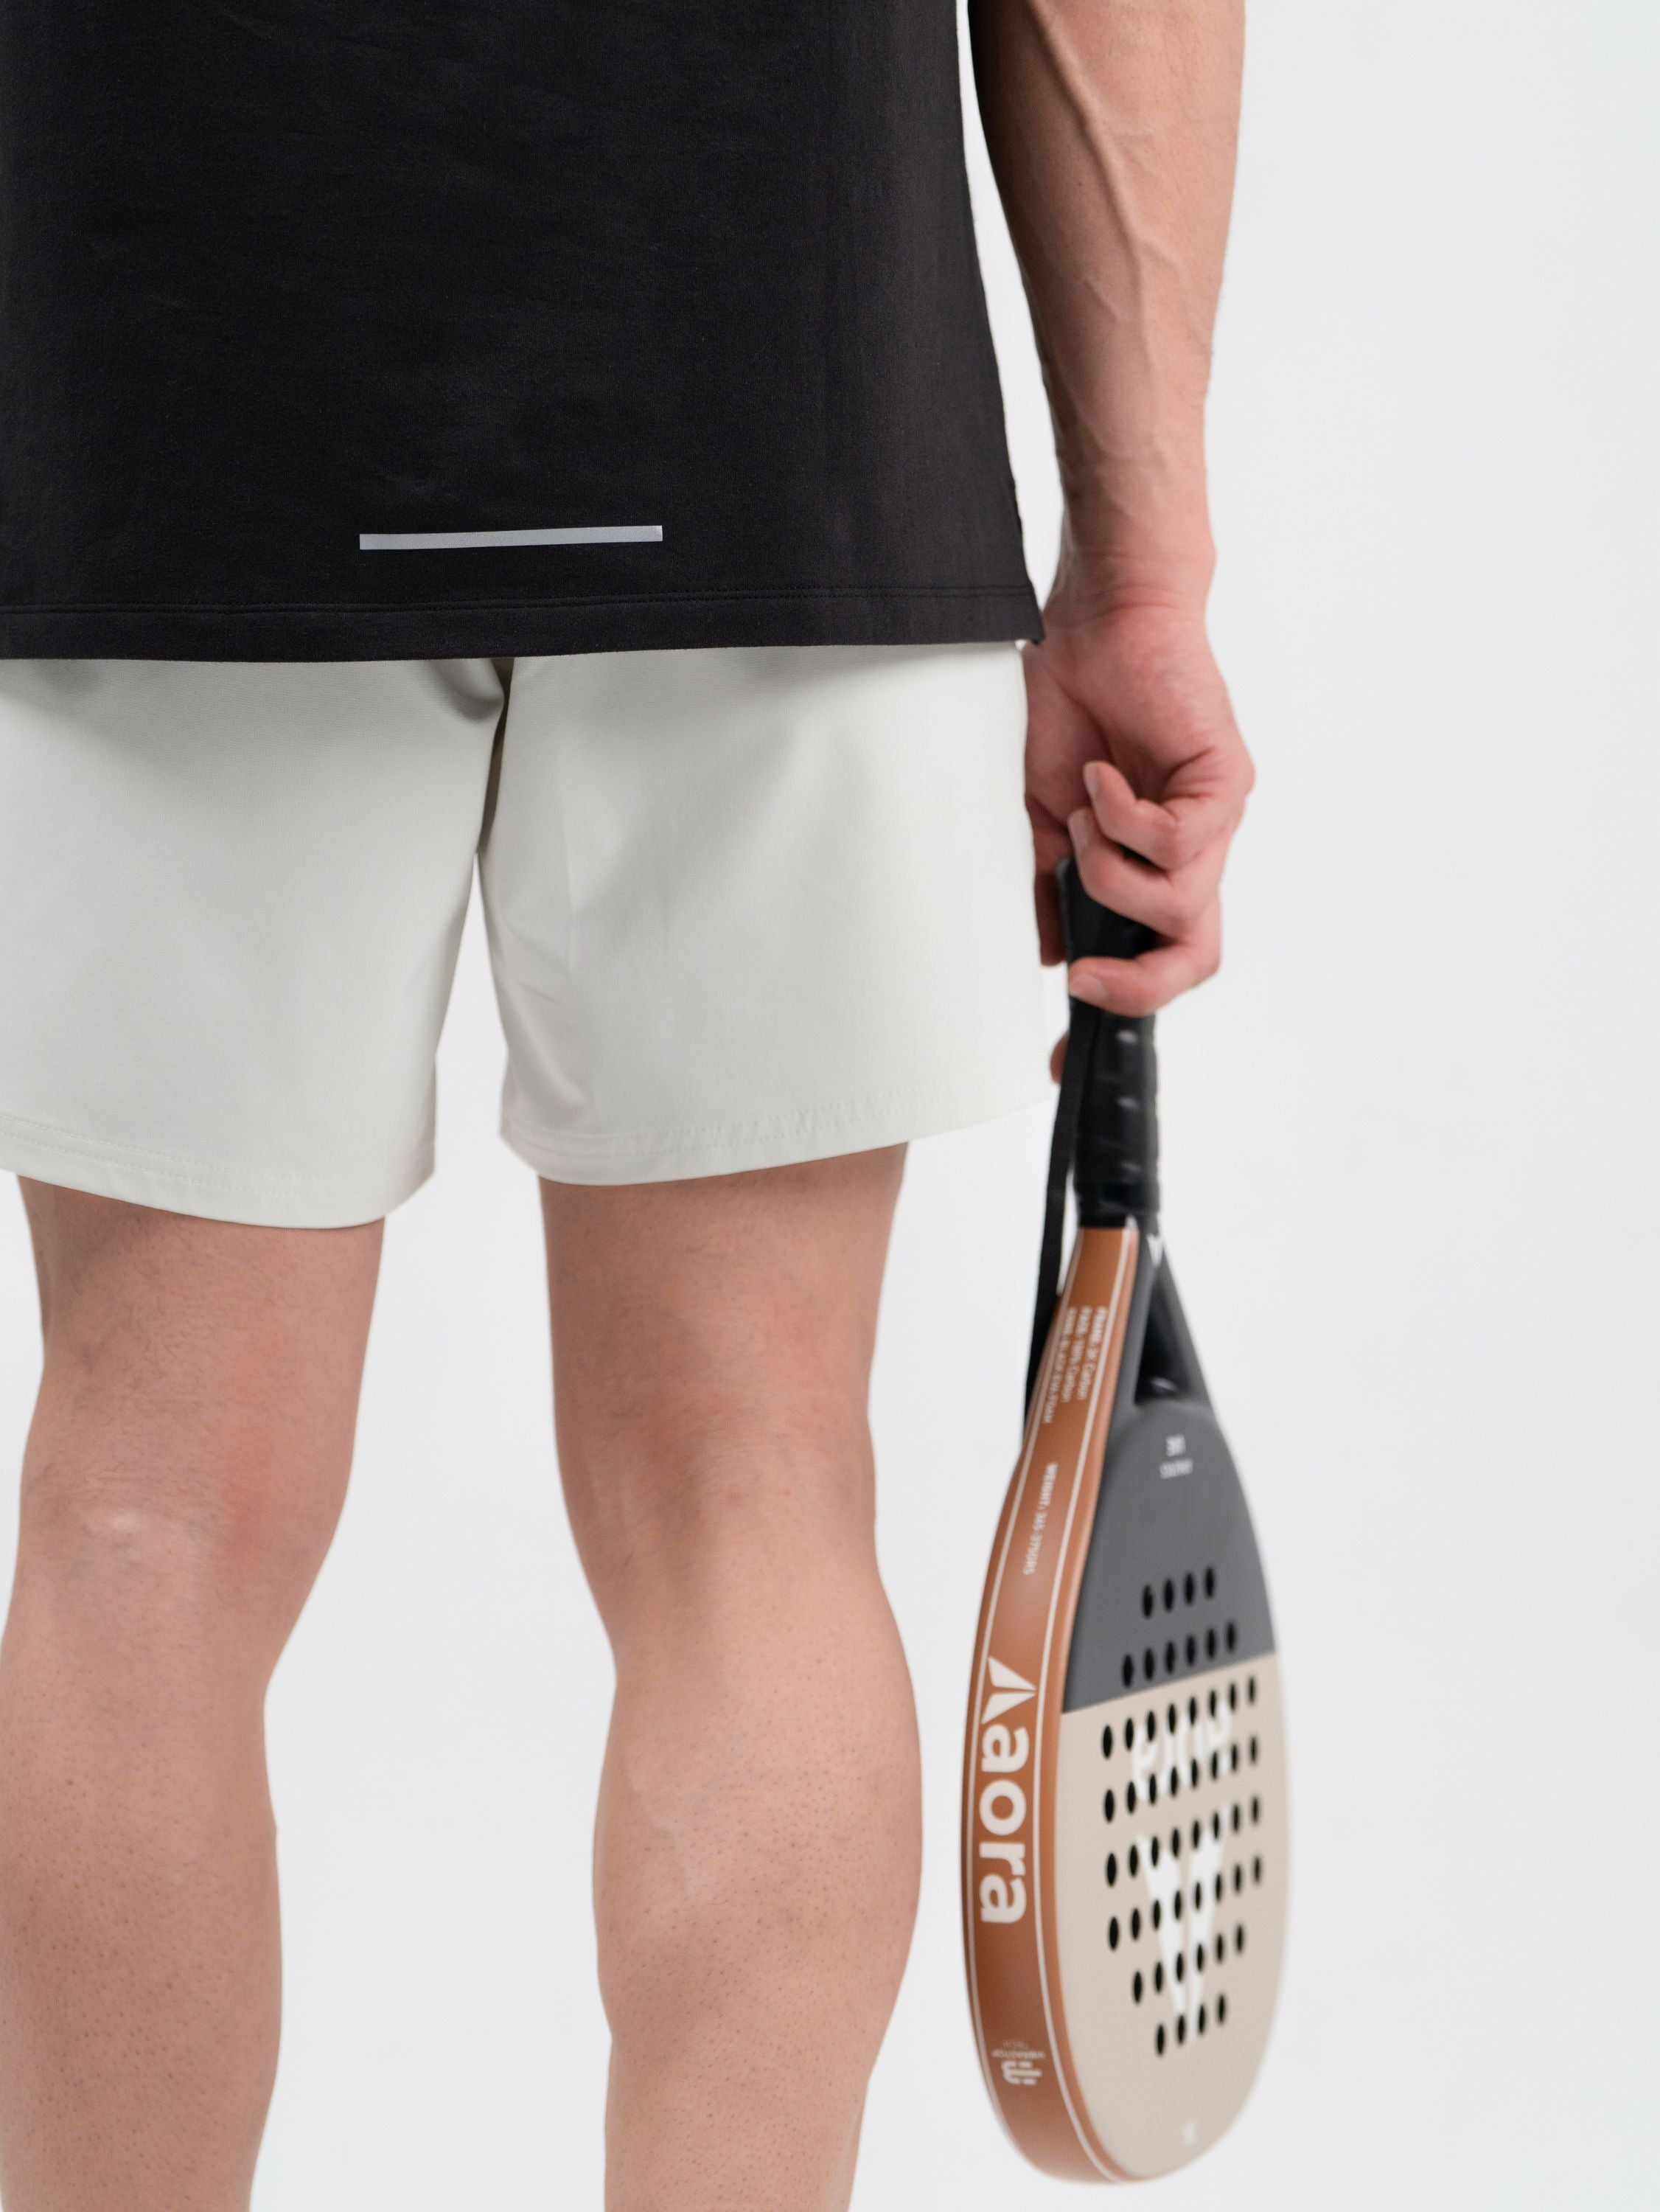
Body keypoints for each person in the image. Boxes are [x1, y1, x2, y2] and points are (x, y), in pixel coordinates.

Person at [0, 0, 1252, 2205]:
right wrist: (1140, 564)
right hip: (788, 383)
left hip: (168, 366)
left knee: (149, 1522)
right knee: (752, 1488)